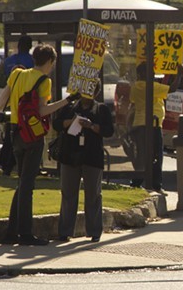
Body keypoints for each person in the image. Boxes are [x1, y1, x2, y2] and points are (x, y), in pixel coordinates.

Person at [0, 44, 80, 246]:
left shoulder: (17, 74)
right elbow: (43, 111)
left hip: (15, 133)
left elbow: (1, 103)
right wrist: (67, 101)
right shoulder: (44, 81)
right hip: (32, 135)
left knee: (22, 183)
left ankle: (11, 232)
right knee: (27, 185)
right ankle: (25, 234)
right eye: (53, 63)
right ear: (50, 61)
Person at [53, 81, 114, 243]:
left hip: (92, 157)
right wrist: (70, 122)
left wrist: (92, 126)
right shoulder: (70, 107)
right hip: (70, 155)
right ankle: (65, 231)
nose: (87, 95)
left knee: (93, 195)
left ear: (95, 93)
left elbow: (109, 130)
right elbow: (56, 124)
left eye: (90, 92)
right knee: (68, 193)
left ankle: (94, 231)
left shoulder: (101, 109)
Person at [128, 62, 183, 194]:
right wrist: (179, 74)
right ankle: (156, 185)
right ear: (143, 74)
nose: (153, 75)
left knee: (141, 156)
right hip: (152, 125)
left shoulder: (136, 87)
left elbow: (133, 101)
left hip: (139, 125)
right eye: (150, 73)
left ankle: (136, 183)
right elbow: (172, 89)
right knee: (157, 155)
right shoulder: (151, 87)